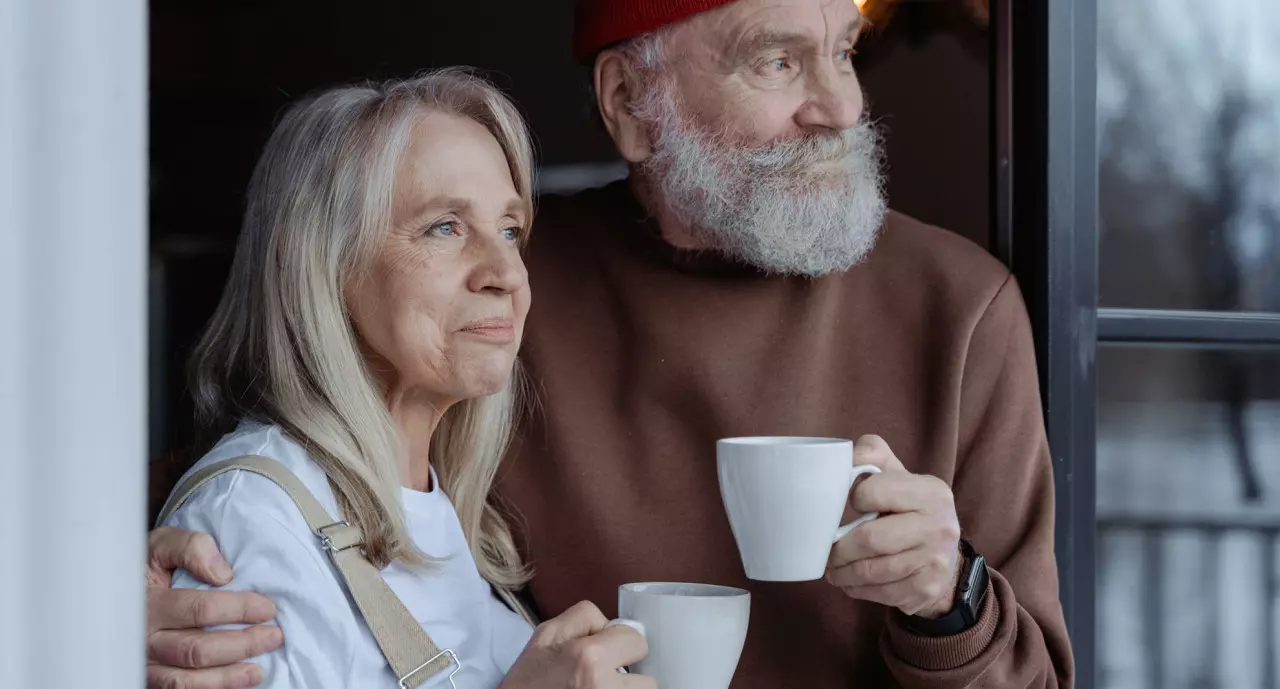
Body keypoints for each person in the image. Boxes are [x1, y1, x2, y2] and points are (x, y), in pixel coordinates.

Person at [146, 0, 1075, 687]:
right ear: (631, 101)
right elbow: (285, 468)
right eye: (778, 62)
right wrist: (103, 604)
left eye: (842, 50)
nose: (841, 106)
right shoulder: (499, 297)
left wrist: (950, 600)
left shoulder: (961, 306)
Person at [147, 69, 654, 689]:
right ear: (326, 265)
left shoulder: (437, 511)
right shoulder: (253, 522)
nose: (507, 273)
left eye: (510, 231)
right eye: (445, 227)